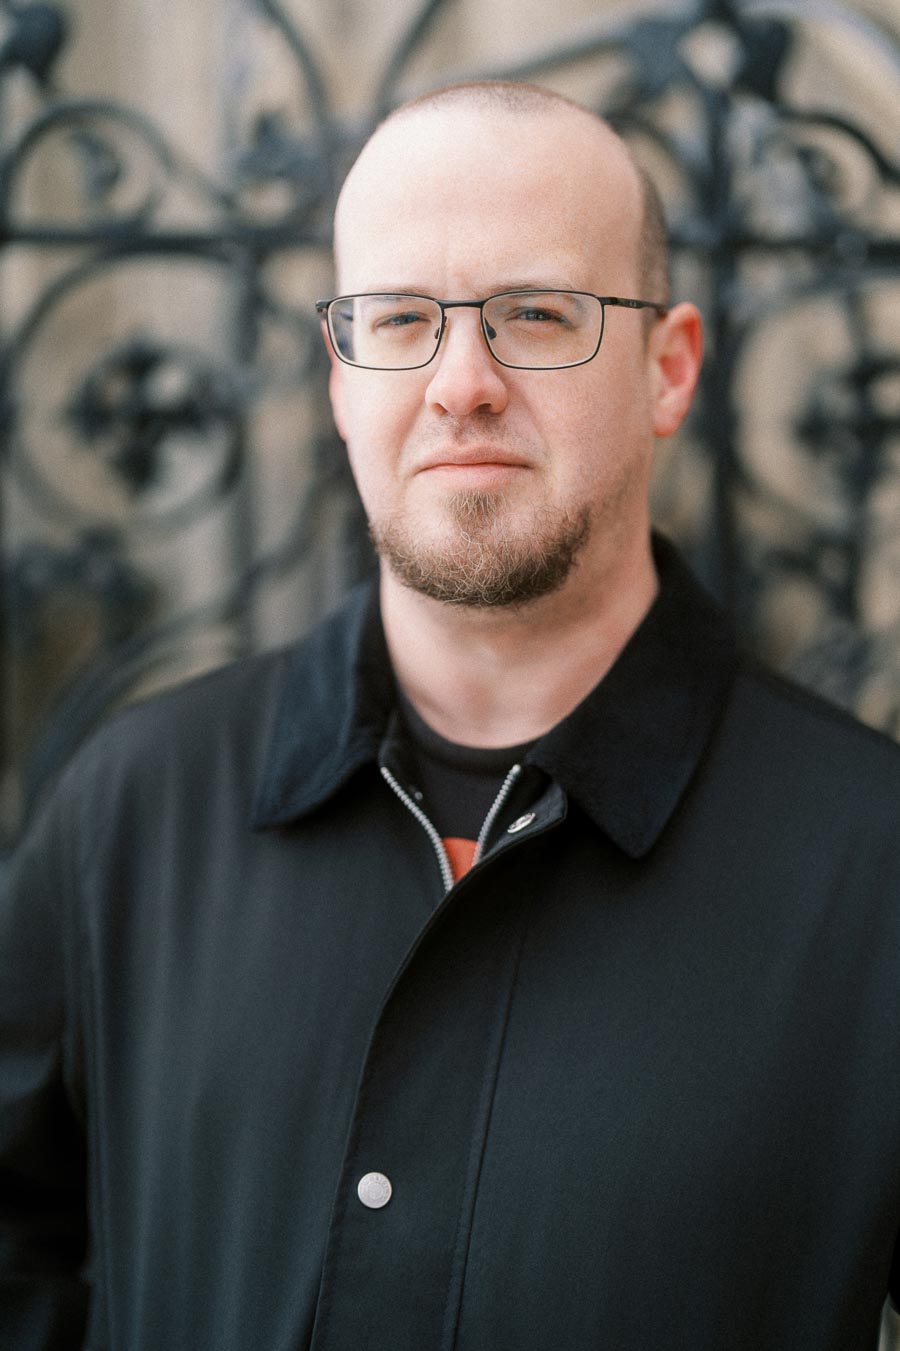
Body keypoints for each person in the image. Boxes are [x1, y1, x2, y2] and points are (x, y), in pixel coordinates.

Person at [2, 80, 900, 1351]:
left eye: (536, 314)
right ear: (340, 376)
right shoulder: (131, 809)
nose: (460, 383)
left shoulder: (874, 864)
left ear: (669, 368)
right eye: (399, 319)